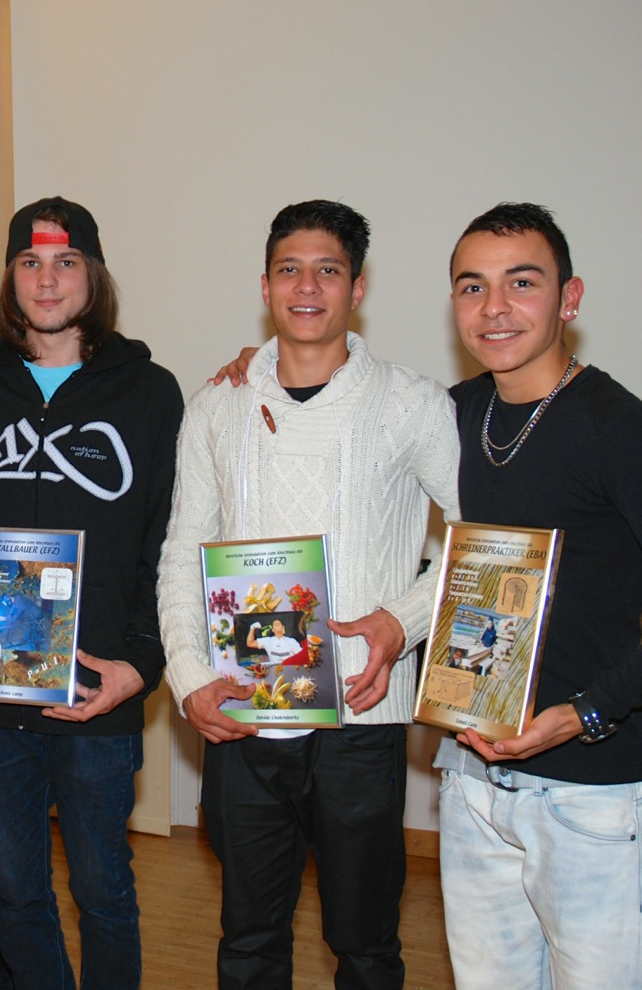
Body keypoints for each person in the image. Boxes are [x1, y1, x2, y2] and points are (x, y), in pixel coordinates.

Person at [159, 200, 460, 990]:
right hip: (245, 711)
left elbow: (477, 543)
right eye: (289, 269)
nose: (307, 286)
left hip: (363, 714)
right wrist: (188, 676)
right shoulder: (216, 405)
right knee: (249, 937)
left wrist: (402, 621)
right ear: (265, 286)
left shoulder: (414, 403)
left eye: (328, 270)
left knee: (365, 943)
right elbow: (183, 550)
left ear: (357, 288)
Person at [432, 203, 642, 990]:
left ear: (570, 297)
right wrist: (261, 363)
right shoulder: (454, 414)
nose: (495, 307)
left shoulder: (621, 428)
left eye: (521, 283)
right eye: (473, 286)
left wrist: (584, 713)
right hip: (472, 783)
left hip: (591, 798)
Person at [0, 197, 184, 989]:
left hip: (96, 689)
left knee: (103, 886)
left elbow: (167, 542)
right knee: (13, 888)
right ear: (7, 278)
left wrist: (141, 662)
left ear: (93, 274)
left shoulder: (149, 392)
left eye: (66, 262)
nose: (47, 279)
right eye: (30, 262)